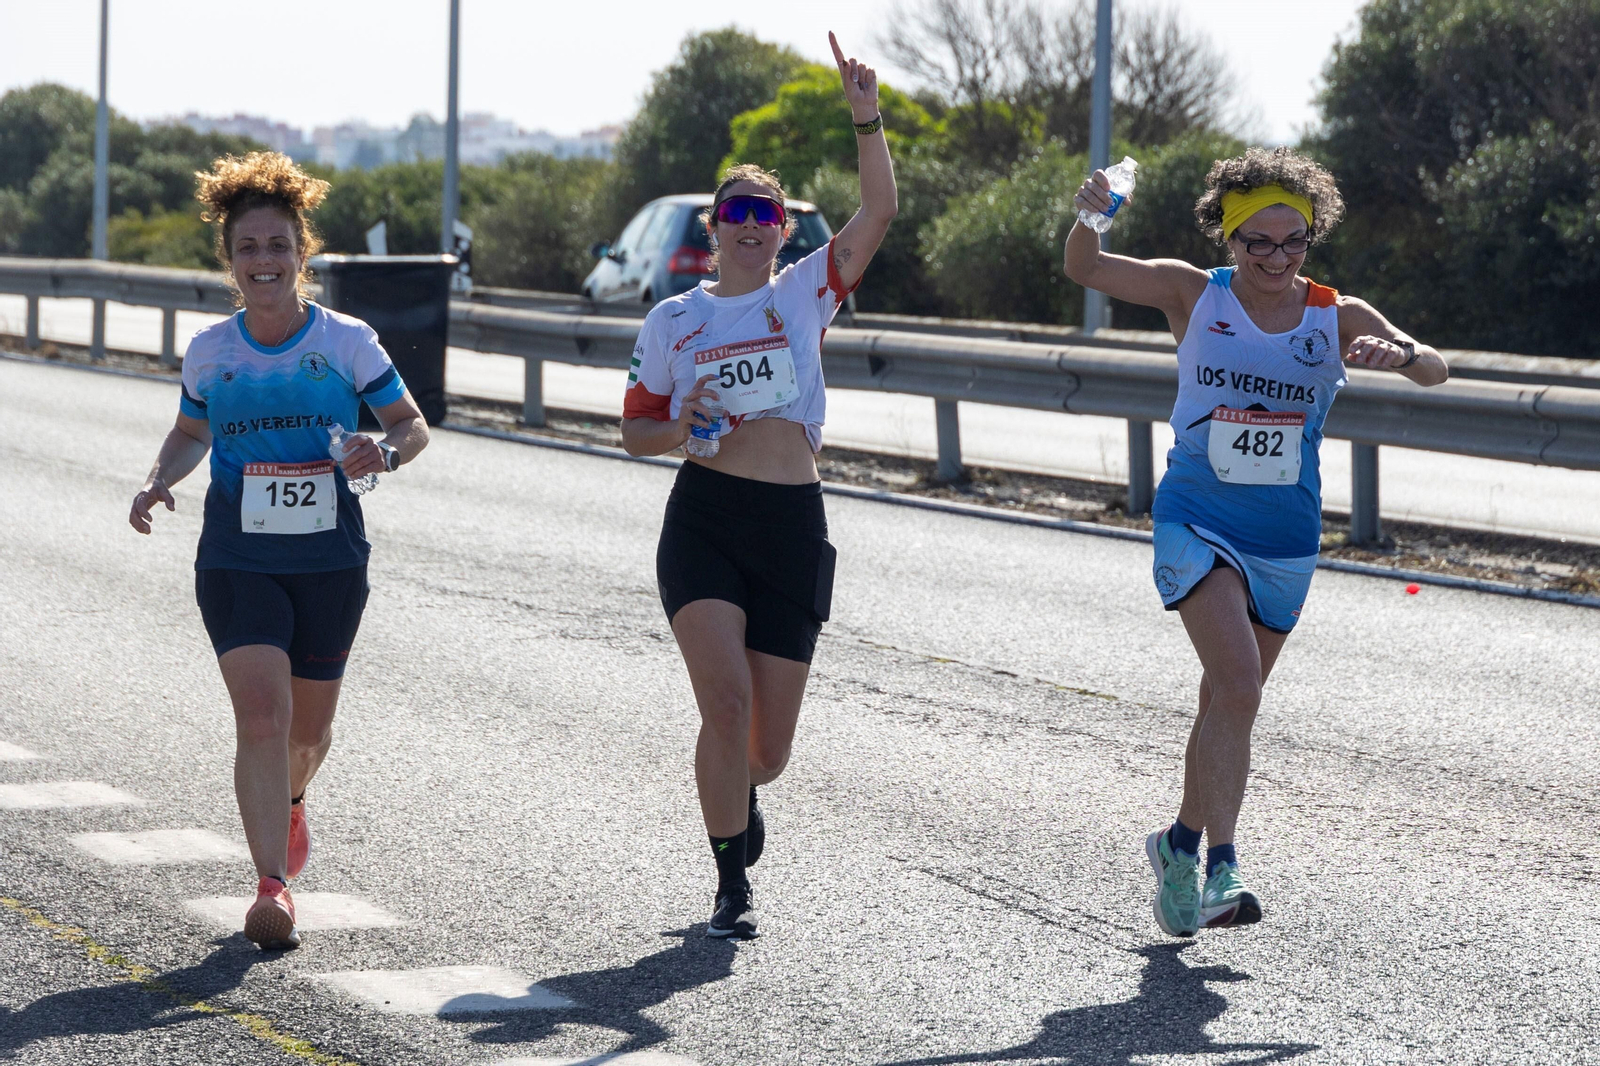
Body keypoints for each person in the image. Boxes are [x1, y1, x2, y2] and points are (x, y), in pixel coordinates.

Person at [1064, 146, 1447, 937]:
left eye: (1293, 241)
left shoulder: (1337, 314)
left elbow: (1437, 369)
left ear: (1312, 237)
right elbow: (1085, 268)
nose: (1276, 258)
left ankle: (1176, 843)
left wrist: (1399, 355)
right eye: (1258, 243)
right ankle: (1222, 866)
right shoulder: (1191, 292)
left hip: (1286, 538)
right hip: (1196, 518)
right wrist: (1094, 211)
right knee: (1237, 685)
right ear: (1230, 239)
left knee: (1227, 703)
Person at [620, 32, 897, 939]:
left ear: (782, 232)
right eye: (735, 210)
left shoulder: (808, 291)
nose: (750, 224)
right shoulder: (674, 319)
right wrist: (681, 425)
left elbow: (881, 208)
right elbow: (635, 434)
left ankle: (740, 800)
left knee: (764, 753)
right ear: (713, 227)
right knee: (724, 702)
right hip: (704, 520)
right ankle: (731, 885)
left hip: (789, 524)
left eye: (766, 214)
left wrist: (866, 116)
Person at [128, 152, 429, 949]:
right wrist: (159, 478)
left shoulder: (347, 341)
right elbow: (194, 430)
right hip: (236, 557)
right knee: (262, 715)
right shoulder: (211, 352)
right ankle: (271, 886)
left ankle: (292, 802)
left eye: (278, 246)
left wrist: (383, 451)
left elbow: (412, 425)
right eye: (248, 248)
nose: (264, 261)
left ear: (302, 253)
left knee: (307, 734)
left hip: (330, 559)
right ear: (230, 262)